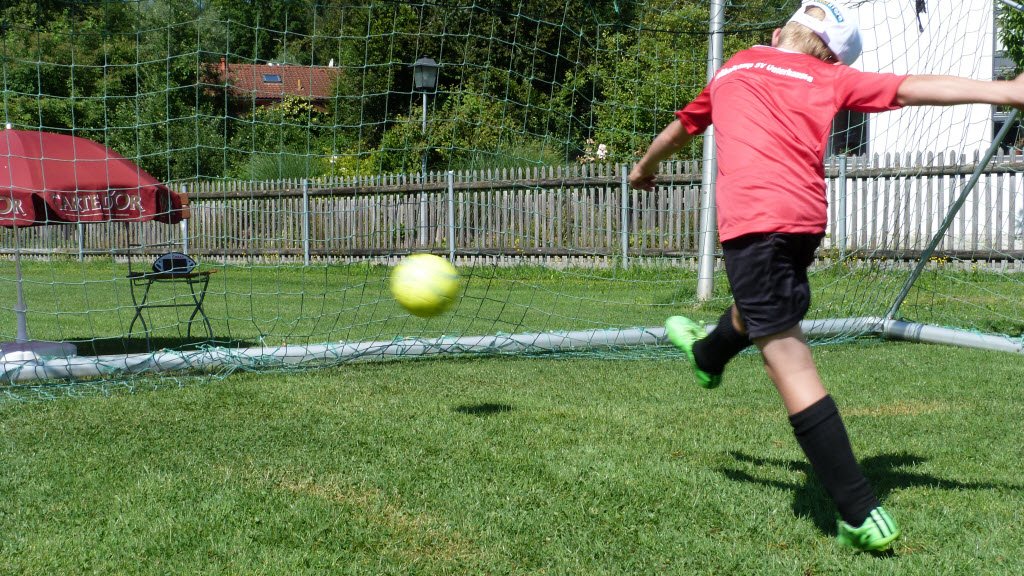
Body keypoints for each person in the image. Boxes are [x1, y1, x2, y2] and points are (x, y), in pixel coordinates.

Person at [629, 0, 1024, 553]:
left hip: (753, 227)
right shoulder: (829, 77)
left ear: (777, 34)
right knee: (763, 309)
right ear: (834, 57)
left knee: (789, 361)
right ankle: (707, 355)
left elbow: (680, 129)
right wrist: (1007, 91)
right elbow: (912, 87)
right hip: (805, 224)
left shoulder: (733, 67)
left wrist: (643, 168)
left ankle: (860, 512)